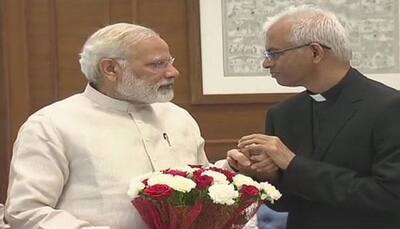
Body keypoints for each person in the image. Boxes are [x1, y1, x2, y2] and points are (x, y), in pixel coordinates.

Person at [5, 23, 209, 229]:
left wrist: (232, 168)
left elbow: (206, 188)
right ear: (110, 69)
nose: (173, 72)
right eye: (157, 64)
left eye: (170, 62)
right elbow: (25, 211)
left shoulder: (178, 117)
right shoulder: (51, 124)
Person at [227, 5, 400, 229]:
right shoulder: (282, 114)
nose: (266, 63)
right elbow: (284, 204)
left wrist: (292, 164)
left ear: (315, 52)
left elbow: (389, 196)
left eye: (274, 53)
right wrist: (263, 175)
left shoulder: (389, 107)